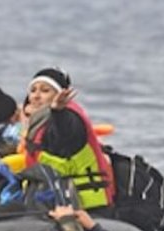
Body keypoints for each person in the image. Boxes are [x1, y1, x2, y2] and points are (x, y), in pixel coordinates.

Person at [22, 68, 114, 214]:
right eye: (33, 90)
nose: (36, 96)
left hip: (87, 206)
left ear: (60, 94)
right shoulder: (38, 122)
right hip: (54, 200)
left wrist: (59, 112)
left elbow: (64, 136)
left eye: (45, 91)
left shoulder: (70, 118)